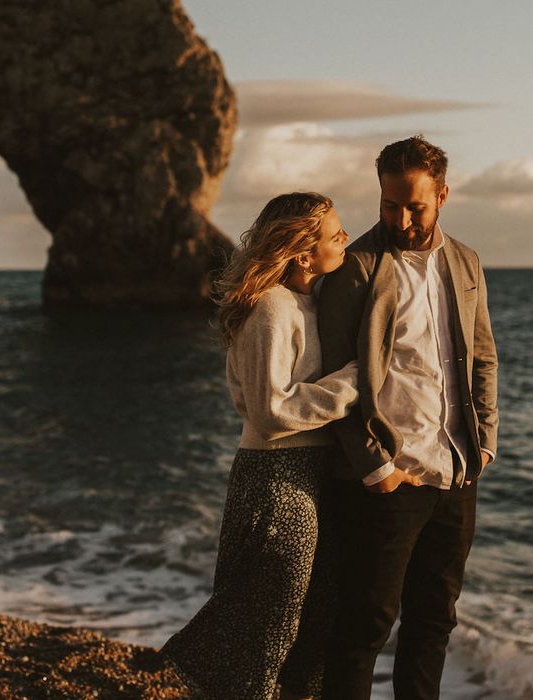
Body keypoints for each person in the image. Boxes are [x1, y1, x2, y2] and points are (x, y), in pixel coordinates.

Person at [318, 136, 499, 700]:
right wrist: (378, 468)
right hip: (386, 482)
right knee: (364, 626)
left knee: (434, 622)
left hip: (455, 473)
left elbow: (484, 355)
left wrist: (485, 443)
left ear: (442, 195)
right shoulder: (355, 267)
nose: (400, 217)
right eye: (389, 204)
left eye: (414, 206)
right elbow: (334, 379)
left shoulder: (465, 262)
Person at [161, 192, 357, 700]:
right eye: (335, 234)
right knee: (268, 625)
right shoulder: (271, 306)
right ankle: (179, 670)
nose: (346, 239)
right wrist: (355, 382)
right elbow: (270, 414)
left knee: (308, 615)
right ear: (303, 253)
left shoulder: (309, 302)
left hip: (309, 472)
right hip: (276, 476)